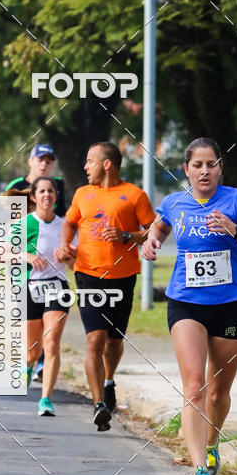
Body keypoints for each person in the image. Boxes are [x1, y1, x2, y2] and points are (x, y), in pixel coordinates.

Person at [142, 137, 237, 475]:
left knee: (219, 392)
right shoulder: (174, 203)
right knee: (194, 387)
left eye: (211, 164)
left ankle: (213, 440)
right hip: (185, 304)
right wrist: (150, 242)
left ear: (220, 168)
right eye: (197, 165)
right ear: (186, 169)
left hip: (229, 306)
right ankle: (201, 469)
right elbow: (159, 226)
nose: (204, 170)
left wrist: (236, 230)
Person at [56, 141, 156, 431]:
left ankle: (109, 379)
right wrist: (65, 245)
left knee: (114, 341)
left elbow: (153, 231)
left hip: (123, 277)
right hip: (88, 274)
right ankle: (99, 403)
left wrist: (127, 236)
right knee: (94, 341)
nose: (85, 167)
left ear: (107, 164)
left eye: (91, 161)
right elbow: (69, 222)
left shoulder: (134, 195)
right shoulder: (82, 194)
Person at [7, 143, 67, 384]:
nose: (44, 163)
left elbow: (62, 220)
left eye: (48, 160)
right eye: (40, 159)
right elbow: (5, 230)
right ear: (30, 161)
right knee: (31, 330)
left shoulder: (58, 186)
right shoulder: (15, 188)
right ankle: (32, 357)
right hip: (23, 265)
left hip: (52, 268)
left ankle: (42, 361)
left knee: (50, 327)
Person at [22, 176, 74, 417]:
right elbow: (3, 252)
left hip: (58, 287)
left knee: (51, 342)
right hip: (31, 287)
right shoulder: (26, 224)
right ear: (33, 196)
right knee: (33, 349)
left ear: (55, 195)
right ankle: (29, 364)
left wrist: (68, 258)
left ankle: (45, 399)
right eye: (41, 191)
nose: (46, 195)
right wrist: (28, 257)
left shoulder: (66, 226)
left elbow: (76, 265)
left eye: (50, 191)